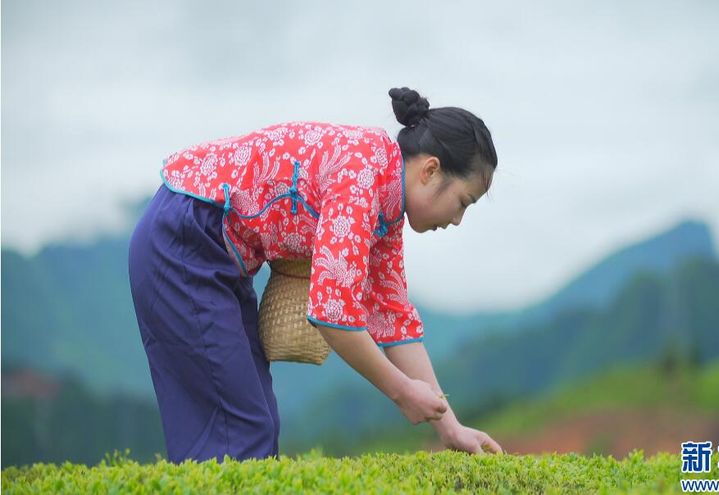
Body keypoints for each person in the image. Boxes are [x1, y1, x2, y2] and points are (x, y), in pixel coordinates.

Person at [127, 86, 504, 464]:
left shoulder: (384, 206)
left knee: (256, 424)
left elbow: (394, 321)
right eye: (462, 203)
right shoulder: (362, 176)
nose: (457, 220)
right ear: (431, 170)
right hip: (184, 242)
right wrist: (401, 391)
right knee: (240, 430)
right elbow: (333, 315)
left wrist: (450, 428)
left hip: (214, 257)